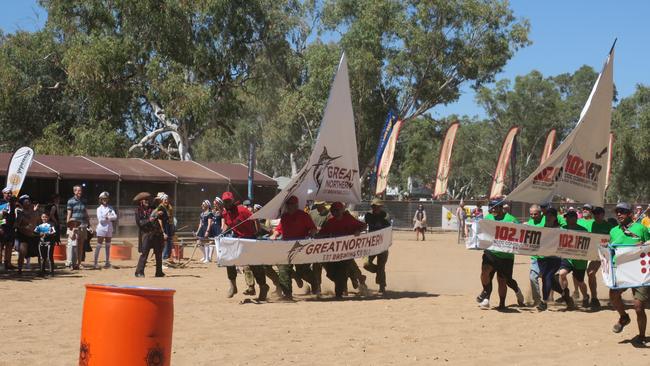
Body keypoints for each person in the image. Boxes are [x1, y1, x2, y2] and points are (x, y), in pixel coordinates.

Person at [609, 202, 650, 345]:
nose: (619, 214)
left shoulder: (641, 228)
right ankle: (624, 317)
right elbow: (611, 250)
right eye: (617, 211)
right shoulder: (613, 231)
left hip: (640, 272)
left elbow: (649, 245)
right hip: (621, 271)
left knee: (638, 306)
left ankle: (641, 336)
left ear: (630, 214)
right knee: (613, 295)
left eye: (623, 211)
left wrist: (643, 245)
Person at [477, 200, 525, 310]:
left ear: (501, 207)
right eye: (491, 207)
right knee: (485, 272)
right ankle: (486, 295)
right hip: (491, 252)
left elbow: (522, 232)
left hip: (505, 256)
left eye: (495, 207)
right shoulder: (488, 218)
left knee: (504, 281)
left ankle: (507, 298)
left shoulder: (511, 219)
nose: (493, 209)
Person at [221, 191, 269, 301]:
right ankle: (233, 286)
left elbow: (255, 218)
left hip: (250, 239)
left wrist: (257, 232)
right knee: (229, 260)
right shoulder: (225, 213)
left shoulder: (242, 209)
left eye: (229, 201)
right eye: (225, 201)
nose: (227, 203)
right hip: (238, 239)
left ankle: (263, 286)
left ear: (232, 201)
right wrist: (222, 234)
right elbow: (228, 224)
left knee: (254, 265)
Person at [270, 195, 318, 299]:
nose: (289, 206)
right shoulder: (284, 217)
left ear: (296, 205)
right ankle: (287, 294)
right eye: (288, 204)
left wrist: (311, 235)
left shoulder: (304, 216)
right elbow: (279, 229)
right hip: (287, 247)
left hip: (301, 246)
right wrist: (274, 234)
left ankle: (315, 284)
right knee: (283, 269)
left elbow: (313, 229)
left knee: (303, 271)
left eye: (292, 204)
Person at [317, 201, 367, 299]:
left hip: (347, 253)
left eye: (337, 210)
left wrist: (358, 231)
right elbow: (321, 234)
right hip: (334, 254)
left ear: (342, 210)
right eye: (333, 211)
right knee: (332, 274)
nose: (335, 212)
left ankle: (343, 291)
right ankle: (349, 284)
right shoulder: (330, 222)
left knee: (349, 271)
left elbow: (363, 226)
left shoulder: (349, 219)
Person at [557, 210, 589, 310]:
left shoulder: (583, 230)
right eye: (566, 217)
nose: (567, 219)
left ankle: (585, 297)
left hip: (580, 260)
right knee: (562, 274)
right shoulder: (562, 228)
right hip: (567, 258)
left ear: (575, 218)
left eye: (570, 217)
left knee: (580, 282)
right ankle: (565, 295)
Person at [535, 208, 564, 311]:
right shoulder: (540, 228)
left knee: (546, 276)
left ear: (555, 217)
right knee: (548, 278)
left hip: (555, 258)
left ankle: (544, 302)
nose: (548, 217)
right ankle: (564, 293)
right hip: (542, 258)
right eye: (547, 215)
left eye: (551, 215)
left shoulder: (560, 229)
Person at [363, 198, 391, 293]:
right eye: (373, 206)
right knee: (366, 264)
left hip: (382, 244)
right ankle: (378, 271)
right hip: (371, 244)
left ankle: (382, 286)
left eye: (377, 206)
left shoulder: (385, 216)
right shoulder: (368, 215)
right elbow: (364, 225)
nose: (375, 208)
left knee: (381, 265)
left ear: (380, 207)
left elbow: (389, 230)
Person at [134, 192, 165, 278]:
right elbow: (140, 223)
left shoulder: (153, 208)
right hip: (146, 234)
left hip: (156, 233)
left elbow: (162, 218)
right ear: (141, 201)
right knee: (144, 254)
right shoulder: (137, 210)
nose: (147, 201)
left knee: (158, 253)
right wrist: (149, 220)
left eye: (148, 199)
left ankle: (159, 272)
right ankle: (139, 272)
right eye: (145, 200)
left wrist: (160, 214)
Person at [15, 195, 40, 275]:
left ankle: (42, 268)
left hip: (34, 235)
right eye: (25, 202)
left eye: (28, 201)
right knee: (22, 252)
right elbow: (16, 225)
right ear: (22, 204)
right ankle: (19, 269)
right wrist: (24, 227)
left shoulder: (35, 212)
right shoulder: (20, 213)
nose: (28, 203)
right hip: (24, 235)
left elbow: (38, 223)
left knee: (40, 253)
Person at [66, 185, 89, 270]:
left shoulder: (84, 201)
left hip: (82, 224)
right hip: (74, 225)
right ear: (74, 191)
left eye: (80, 190)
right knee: (72, 245)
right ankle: (71, 263)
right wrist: (68, 226)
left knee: (81, 245)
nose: (80, 192)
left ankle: (79, 263)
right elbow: (69, 214)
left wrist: (88, 224)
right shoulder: (70, 201)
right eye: (78, 191)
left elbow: (86, 213)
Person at [526, 204, 544, 306]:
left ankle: (565, 295)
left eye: (535, 214)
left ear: (540, 213)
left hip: (547, 257)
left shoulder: (546, 220)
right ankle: (537, 300)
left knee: (550, 280)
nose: (533, 216)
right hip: (535, 256)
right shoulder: (530, 222)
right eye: (531, 214)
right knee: (533, 277)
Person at [94, 191, 117, 269]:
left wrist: (108, 217)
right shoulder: (99, 209)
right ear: (100, 199)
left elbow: (115, 217)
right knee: (98, 245)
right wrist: (108, 217)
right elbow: (100, 219)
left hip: (109, 228)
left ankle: (107, 262)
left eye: (106, 198)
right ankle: (95, 262)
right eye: (103, 198)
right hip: (101, 228)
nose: (105, 200)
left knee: (108, 246)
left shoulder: (110, 207)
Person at [0, 188, 16, 270]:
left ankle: (8, 263)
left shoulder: (12, 203)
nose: (9, 194)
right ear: (3, 193)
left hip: (11, 228)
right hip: (2, 227)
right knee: (0, 246)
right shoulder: (0, 202)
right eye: (7, 193)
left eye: (10, 193)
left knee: (9, 245)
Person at [157, 193, 175, 264]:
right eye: (165, 200)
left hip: (169, 226)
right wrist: (163, 231)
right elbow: (160, 220)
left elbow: (171, 218)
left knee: (169, 242)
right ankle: (163, 259)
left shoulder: (169, 207)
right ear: (162, 200)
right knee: (166, 243)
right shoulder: (160, 207)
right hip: (164, 227)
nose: (166, 201)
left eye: (167, 199)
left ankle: (167, 258)